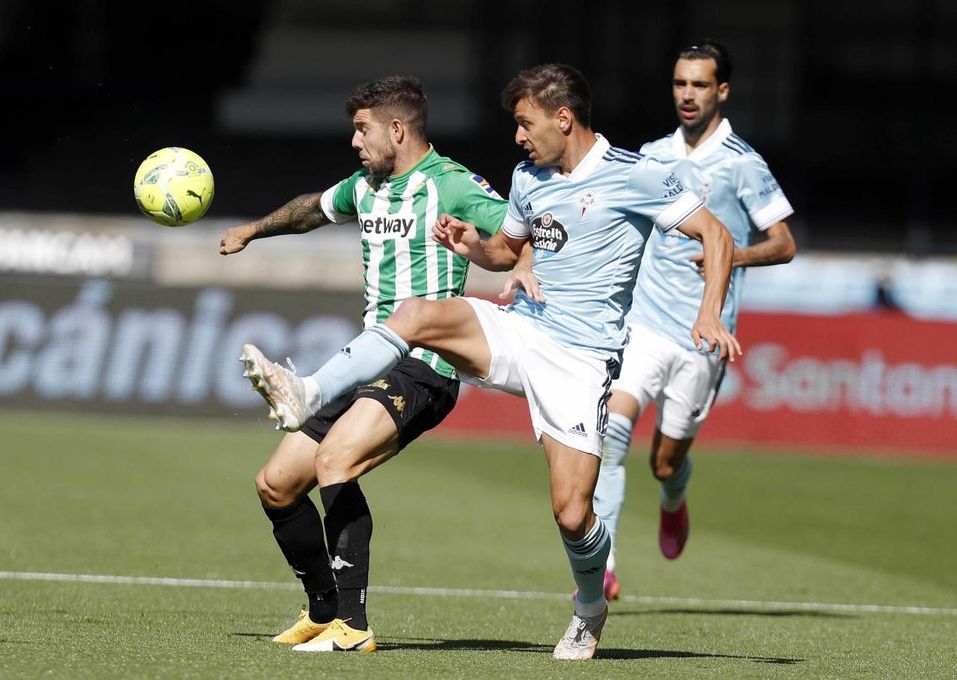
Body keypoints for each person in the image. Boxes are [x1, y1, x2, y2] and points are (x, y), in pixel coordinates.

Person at [240, 63, 741, 660]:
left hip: (580, 359)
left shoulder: (636, 175)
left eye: (526, 123)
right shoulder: (529, 177)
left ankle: (589, 607)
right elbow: (506, 250)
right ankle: (310, 392)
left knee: (572, 512)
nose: (518, 137)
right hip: (521, 329)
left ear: (563, 118)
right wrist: (470, 245)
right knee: (417, 313)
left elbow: (717, 237)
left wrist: (709, 314)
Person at [220, 75, 509, 653]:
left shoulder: (451, 183)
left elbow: (511, 236)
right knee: (276, 486)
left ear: (396, 129)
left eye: (362, 129)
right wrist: (253, 230)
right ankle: (323, 611)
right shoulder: (365, 187)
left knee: (335, 460)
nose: (354, 141)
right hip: (368, 362)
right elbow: (311, 210)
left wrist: (517, 266)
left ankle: (353, 627)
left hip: (425, 367)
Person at [589, 40, 796, 597]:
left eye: (699, 84)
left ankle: (673, 496)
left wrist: (731, 256)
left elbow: (783, 243)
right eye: (680, 83)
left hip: (704, 336)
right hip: (643, 323)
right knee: (611, 434)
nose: (687, 93)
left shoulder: (742, 163)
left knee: (664, 461)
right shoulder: (651, 155)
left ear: (721, 91)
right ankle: (603, 562)